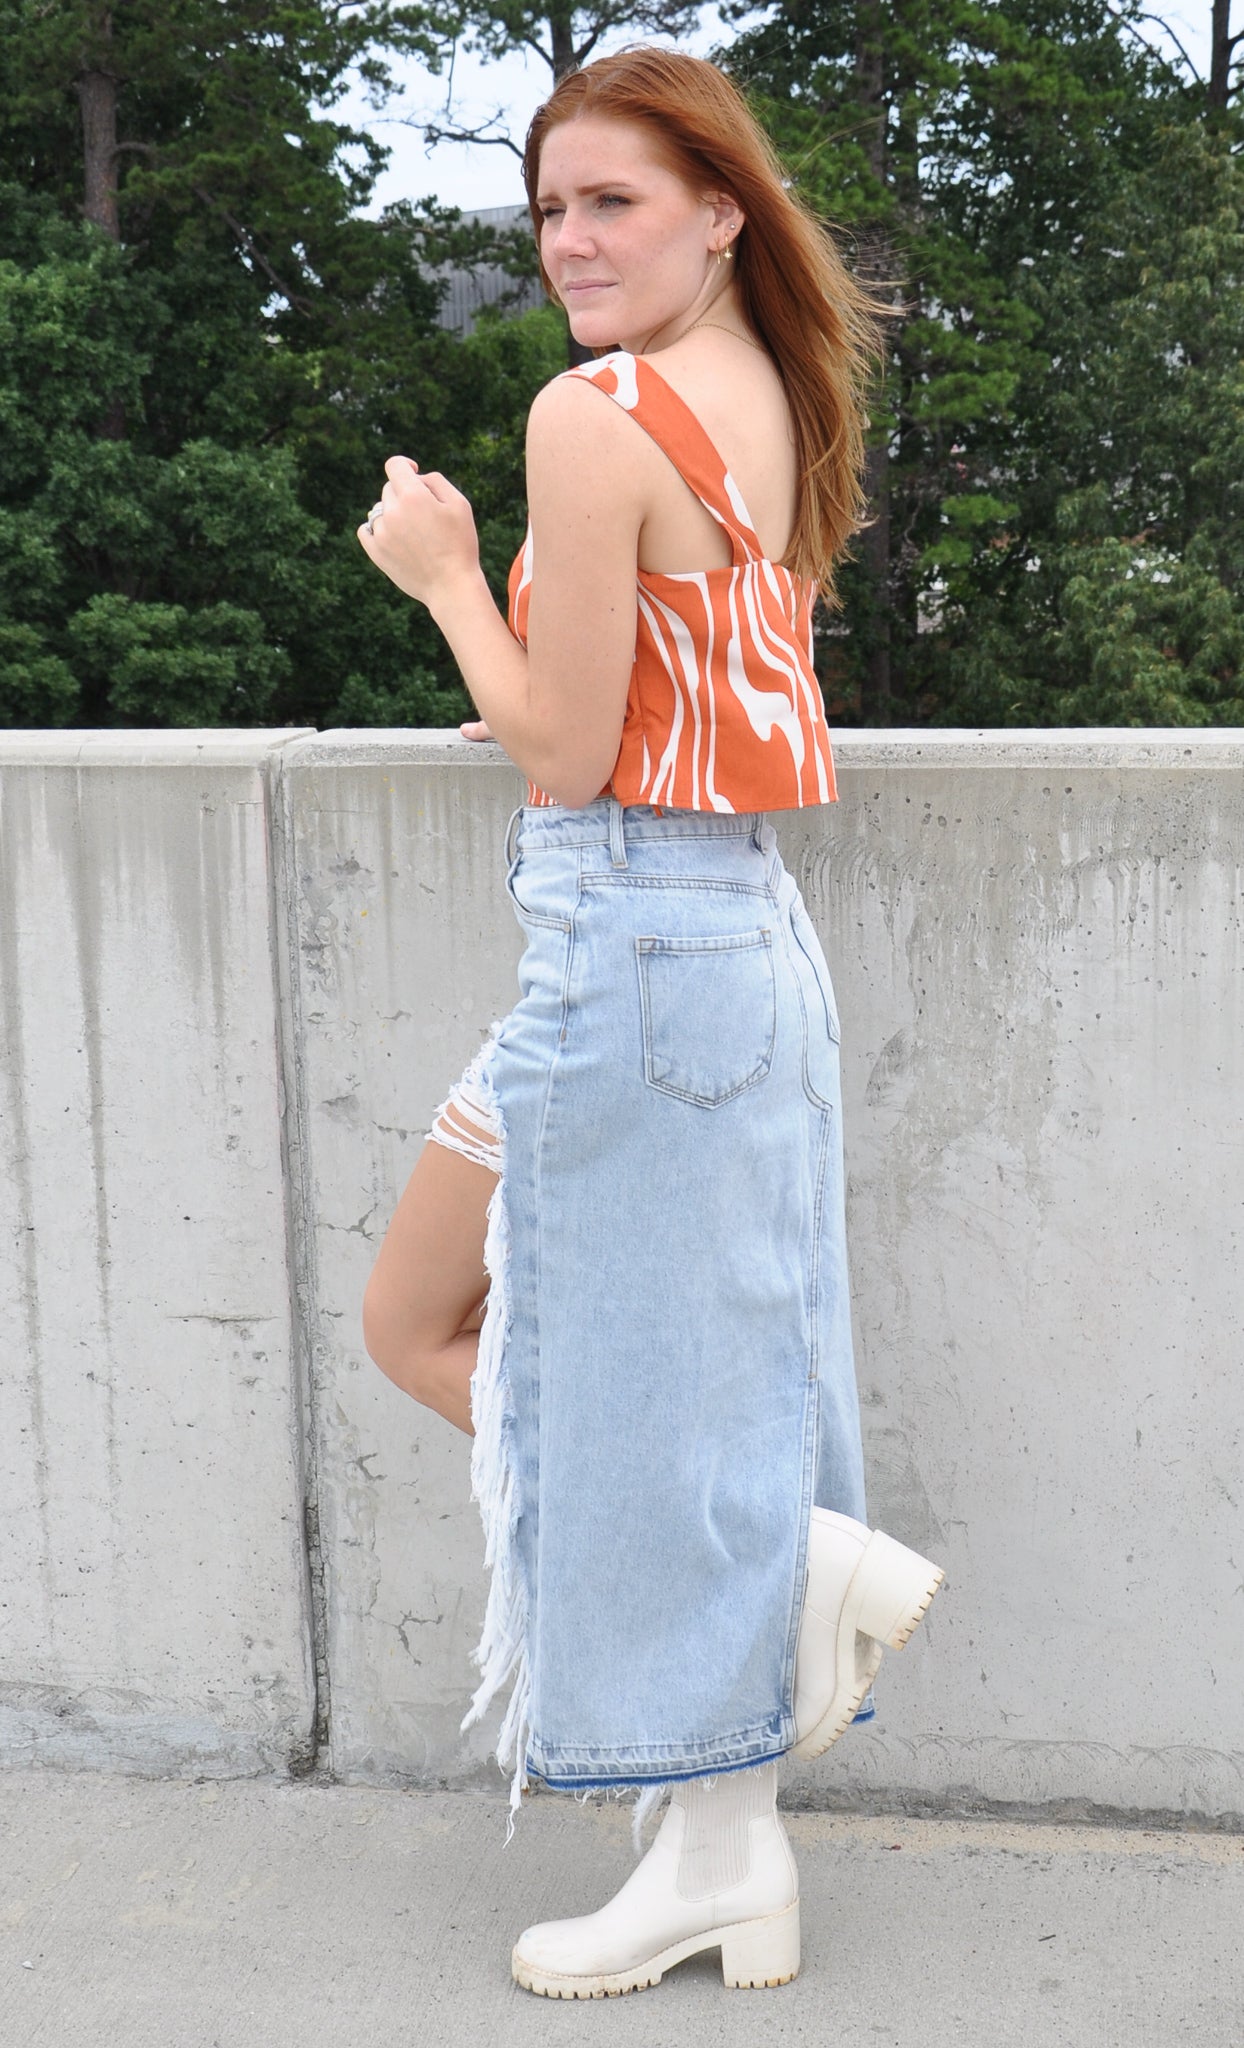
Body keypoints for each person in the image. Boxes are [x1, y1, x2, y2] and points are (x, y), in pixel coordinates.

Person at [358, 44, 944, 2000]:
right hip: (683, 937)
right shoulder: (760, 387)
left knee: (586, 1391)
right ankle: (790, 1598)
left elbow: (564, 736)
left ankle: (717, 1841)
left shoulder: (596, 413)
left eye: (610, 201)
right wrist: (541, 693)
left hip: (633, 948)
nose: (570, 240)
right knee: (443, 1329)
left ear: (718, 209)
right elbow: (681, 684)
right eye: (549, 209)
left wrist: (448, 580)